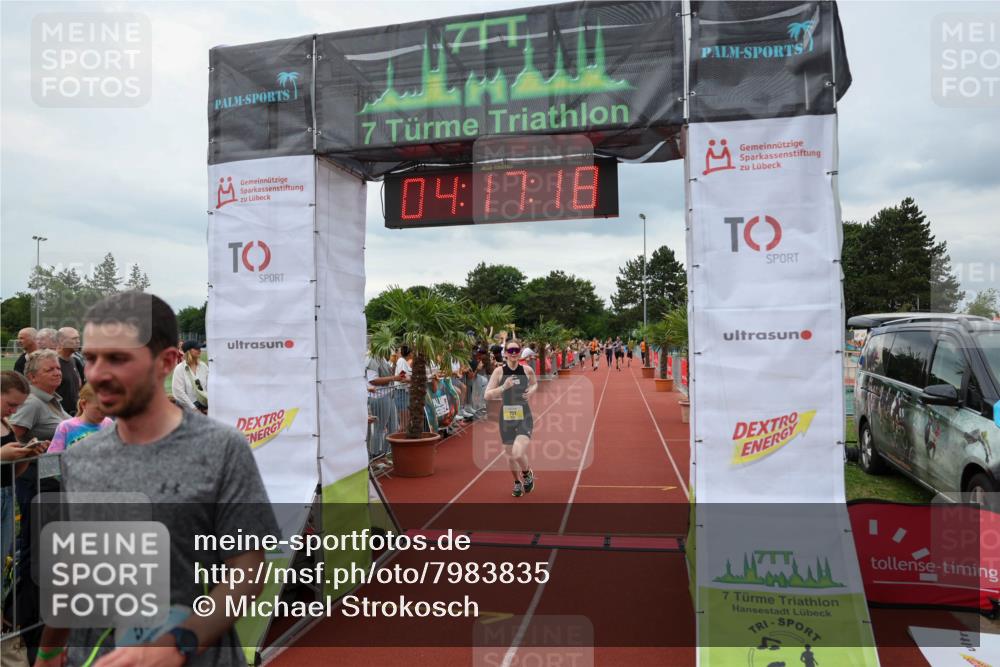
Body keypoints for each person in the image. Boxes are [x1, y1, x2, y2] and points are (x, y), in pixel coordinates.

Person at [35, 291, 280, 667]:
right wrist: (49, 651)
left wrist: (176, 645)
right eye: (93, 357)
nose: (97, 373)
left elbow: (247, 572)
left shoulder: (220, 448)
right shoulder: (81, 457)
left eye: (118, 358)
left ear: (166, 361)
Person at [484, 339, 537, 498]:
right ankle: (517, 482)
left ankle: (527, 473)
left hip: (524, 416)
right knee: (510, 454)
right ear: (505, 353)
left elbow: (534, 384)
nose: (513, 353)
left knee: (517, 453)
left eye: (516, 350)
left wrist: (531, 391)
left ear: (520, 352)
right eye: (510, 351)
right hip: (506, 417)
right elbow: (487, 395)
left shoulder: (527, 370)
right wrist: (503, 387)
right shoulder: (499, 372)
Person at [1, 371, 40, 581]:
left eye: (18, 406)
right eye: (11, 404)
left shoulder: (6, 423)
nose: (14, 410)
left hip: (7, 494)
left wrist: (26, 456)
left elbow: (14, 472)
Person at [47, 383, 114, 453]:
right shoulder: (66, 427)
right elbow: (53, 457)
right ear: (83, 404)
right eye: (98, 409)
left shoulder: (109, 424)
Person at [171, 340, 209, 413]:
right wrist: (194, 409)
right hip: (186, 412)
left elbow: (209, 388)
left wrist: (209, 406)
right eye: (196, 348)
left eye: (200, 348)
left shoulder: (204, 366)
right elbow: (179, 393)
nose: (199, 350)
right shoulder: (179, 369)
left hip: (204, 409)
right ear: (188, 351)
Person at [55, 327, 84, 415]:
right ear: (61, 341)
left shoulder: (74, 361)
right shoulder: (53, 363)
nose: (78, 341)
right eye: (74, 338)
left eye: (78, 338)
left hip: (74, 414)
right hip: (59, 415)